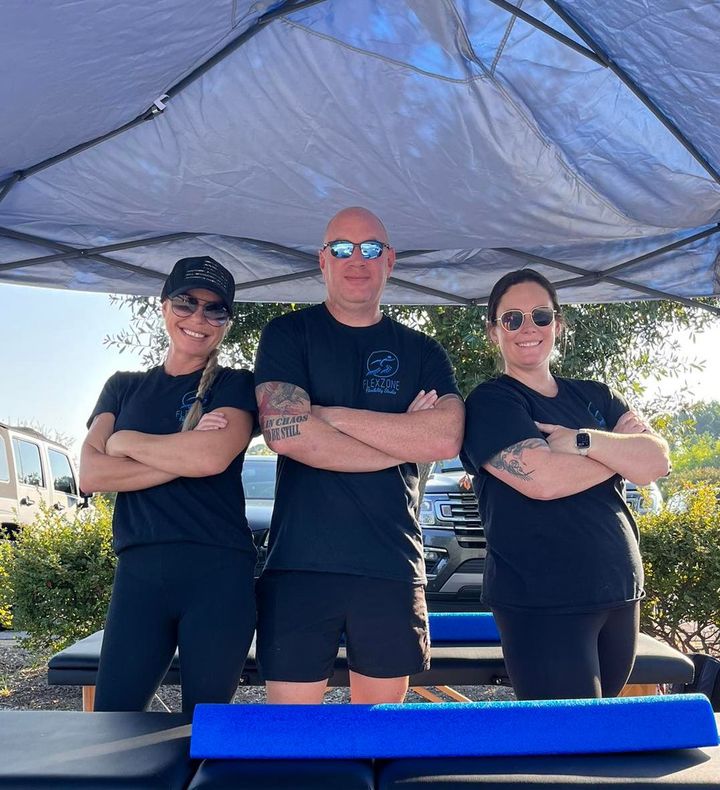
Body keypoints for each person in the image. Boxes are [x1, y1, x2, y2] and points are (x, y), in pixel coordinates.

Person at [253, 207, 465, 704]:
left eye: (370, 248)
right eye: (342, 248)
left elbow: (445, 438)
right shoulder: (286, 336)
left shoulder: (422, 351)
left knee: (378, 743)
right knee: (293, 745)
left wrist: (331, 415)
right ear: (321, 260)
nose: (357, 259)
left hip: (390, 564)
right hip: (299, 566)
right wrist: (400, 440)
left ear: (389, 261)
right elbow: (287, 434)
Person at [460, 268, 670, 701]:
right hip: (542, 599)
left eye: (540, 315)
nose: (527, 328)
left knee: (597, 736)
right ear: (493, 331)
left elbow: (655, 462)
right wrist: (618, 454)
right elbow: (542, 480)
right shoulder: (492, 403)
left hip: (620, 589)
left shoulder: (596, 395)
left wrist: (581, 440)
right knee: (565, 743)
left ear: (558, 323)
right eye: (512, 319)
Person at [79, 256, 258, 712]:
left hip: (218, 572)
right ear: (163, 307)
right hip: (139, 572)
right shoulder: (123, 386)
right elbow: (92, 473)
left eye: (214, 309)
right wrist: (185, 453)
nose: (198, 317)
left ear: (226, 322)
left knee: (205, 727)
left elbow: (213, 457)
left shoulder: (236, 385)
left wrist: (126, 440)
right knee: (113, 720)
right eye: (187, 302)